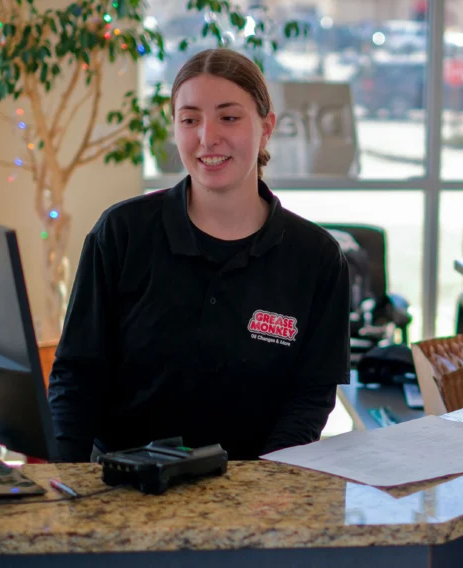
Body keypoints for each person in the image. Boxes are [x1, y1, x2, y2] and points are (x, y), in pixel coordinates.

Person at [48, 48, 351, 463]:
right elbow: (76, 376)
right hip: (123, 488)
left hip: (252, 497)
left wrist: (264, 487)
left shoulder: (316, 258)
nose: (208, 137)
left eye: (229, 117)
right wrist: (65, 486)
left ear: (266, 128)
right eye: (190, 119)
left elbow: (311, 397)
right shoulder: (121, 233)